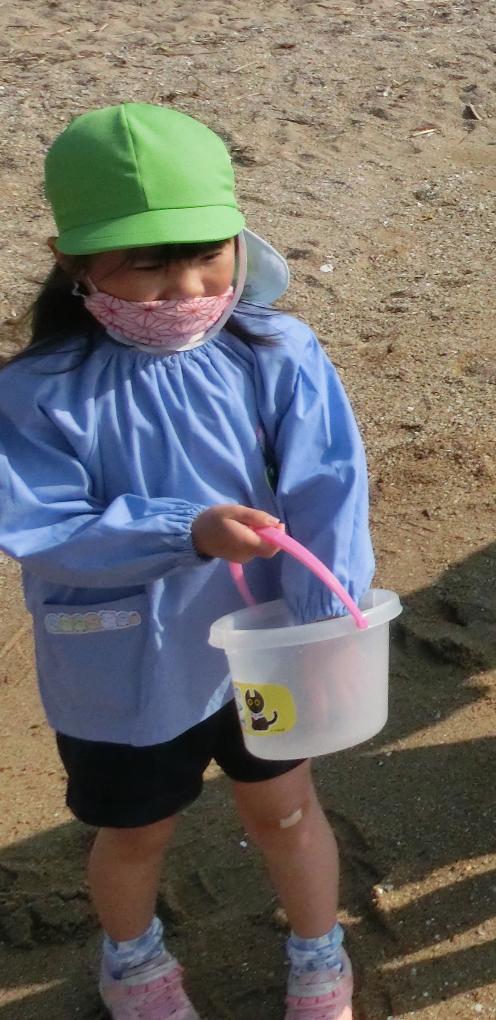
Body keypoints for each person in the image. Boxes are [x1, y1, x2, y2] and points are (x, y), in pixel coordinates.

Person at [0, 103, 371, 1020]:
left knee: (285, 809)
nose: (186, 283)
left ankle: (319, 953)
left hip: (268, 649)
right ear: (76, 261)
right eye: (149, 262)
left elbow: (330, 486)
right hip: (126, 661)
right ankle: (132, 960)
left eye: (209, 252)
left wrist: (332, 621)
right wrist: (185, 530)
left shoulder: (276, 350)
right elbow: (42, 523)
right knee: (135, 833)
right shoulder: (37, 392)